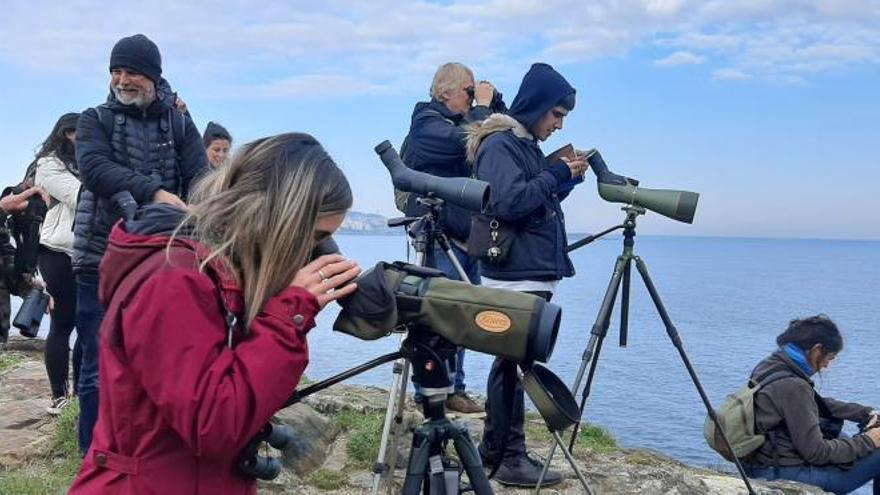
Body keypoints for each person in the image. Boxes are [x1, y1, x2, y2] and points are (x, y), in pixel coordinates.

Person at [67, 133, 360, 494]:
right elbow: (214, 423)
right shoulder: (175, 279)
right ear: (276, 221)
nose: (313, 254)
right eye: (313, 239)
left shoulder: (213, 270)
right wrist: (290, 313)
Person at [73, 33, 209, 455]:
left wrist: (208, 206)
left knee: (159, 357)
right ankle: (93, 455)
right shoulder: (93, 119)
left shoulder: (181, 123)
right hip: (99, 255)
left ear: (152, 76)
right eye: (116, 70)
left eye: (131, 71)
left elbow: (201, 174)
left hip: (160, 258)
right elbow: (95, 168)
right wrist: (154, 193)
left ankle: (145, 451)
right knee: (97, 361)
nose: (122, 79)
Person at [467, 62, 587, 487]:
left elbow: (531, 203)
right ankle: (508, 456)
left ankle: (498, 449)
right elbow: (508, 203)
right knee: (513, 365)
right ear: (536, 106)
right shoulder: (501, 145)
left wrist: (563, 180)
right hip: (515, 274)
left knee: (512, 364)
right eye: (556, 114)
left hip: (525, 271)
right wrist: (556, 174)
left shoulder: (522, 146)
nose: (558, 124)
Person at [401, 62, 504, 414]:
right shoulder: (425, 124)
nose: (473, 98)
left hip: (465, 234)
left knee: (463, 315)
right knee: (439, 314)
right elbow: (464, 141)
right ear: (446, 93)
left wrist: (495, 108)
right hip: (439, 234)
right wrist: (482, 111)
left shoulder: (461, 119)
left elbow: (495, 140)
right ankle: (431, 390)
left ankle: (455, 388)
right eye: (469, 91)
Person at [743, 315, 880, 494]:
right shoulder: (795, 386)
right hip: (782, 473)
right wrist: (868, 440)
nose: (826, 365)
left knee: (842, 436)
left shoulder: (772, 364)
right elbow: (817, 452)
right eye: (829, 358)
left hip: (761, 462)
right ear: (817, 350)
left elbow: (814, 403)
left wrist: (865, 413)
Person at [34, 112, 84, 414]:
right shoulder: (49, 164)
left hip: (89, 252)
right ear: (67, 133)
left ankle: (81, 391)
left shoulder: (89, 161)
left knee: (87, 324)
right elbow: (79, 196)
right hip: (56, 251)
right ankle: (59, 394)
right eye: (80, 133)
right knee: (63, 323)